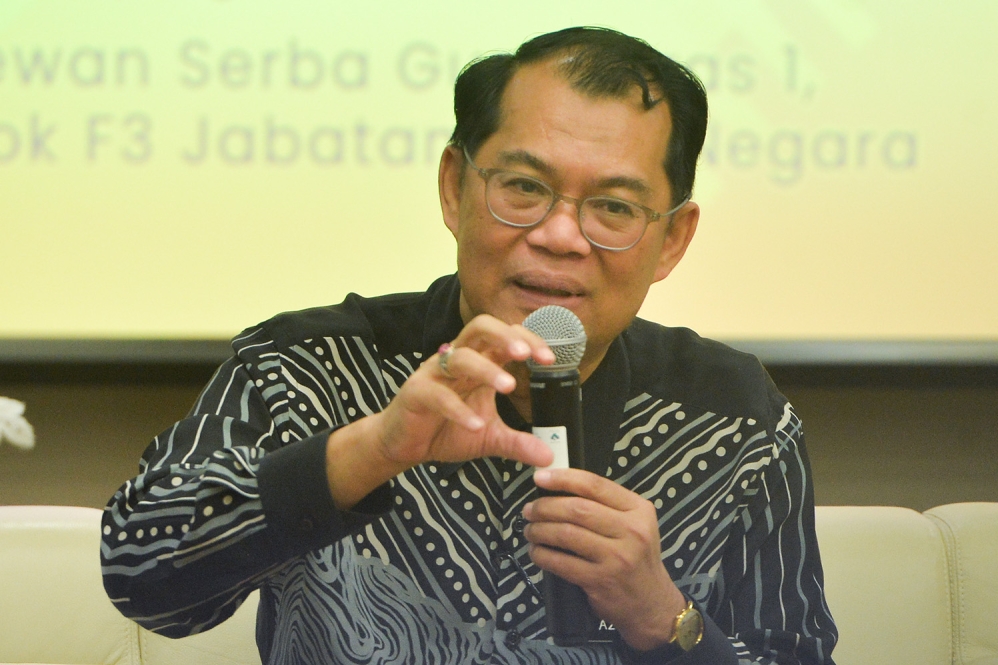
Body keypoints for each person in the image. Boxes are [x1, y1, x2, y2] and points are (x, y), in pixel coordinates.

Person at [102, 26, 838, 665]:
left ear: (671, 238)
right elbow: (141, 574)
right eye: (524, 188)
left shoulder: (737, 420)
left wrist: (667, 620)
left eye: (613, 206)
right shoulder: (303, 367)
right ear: (455, 188)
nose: (560, 235)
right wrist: (370, 450)